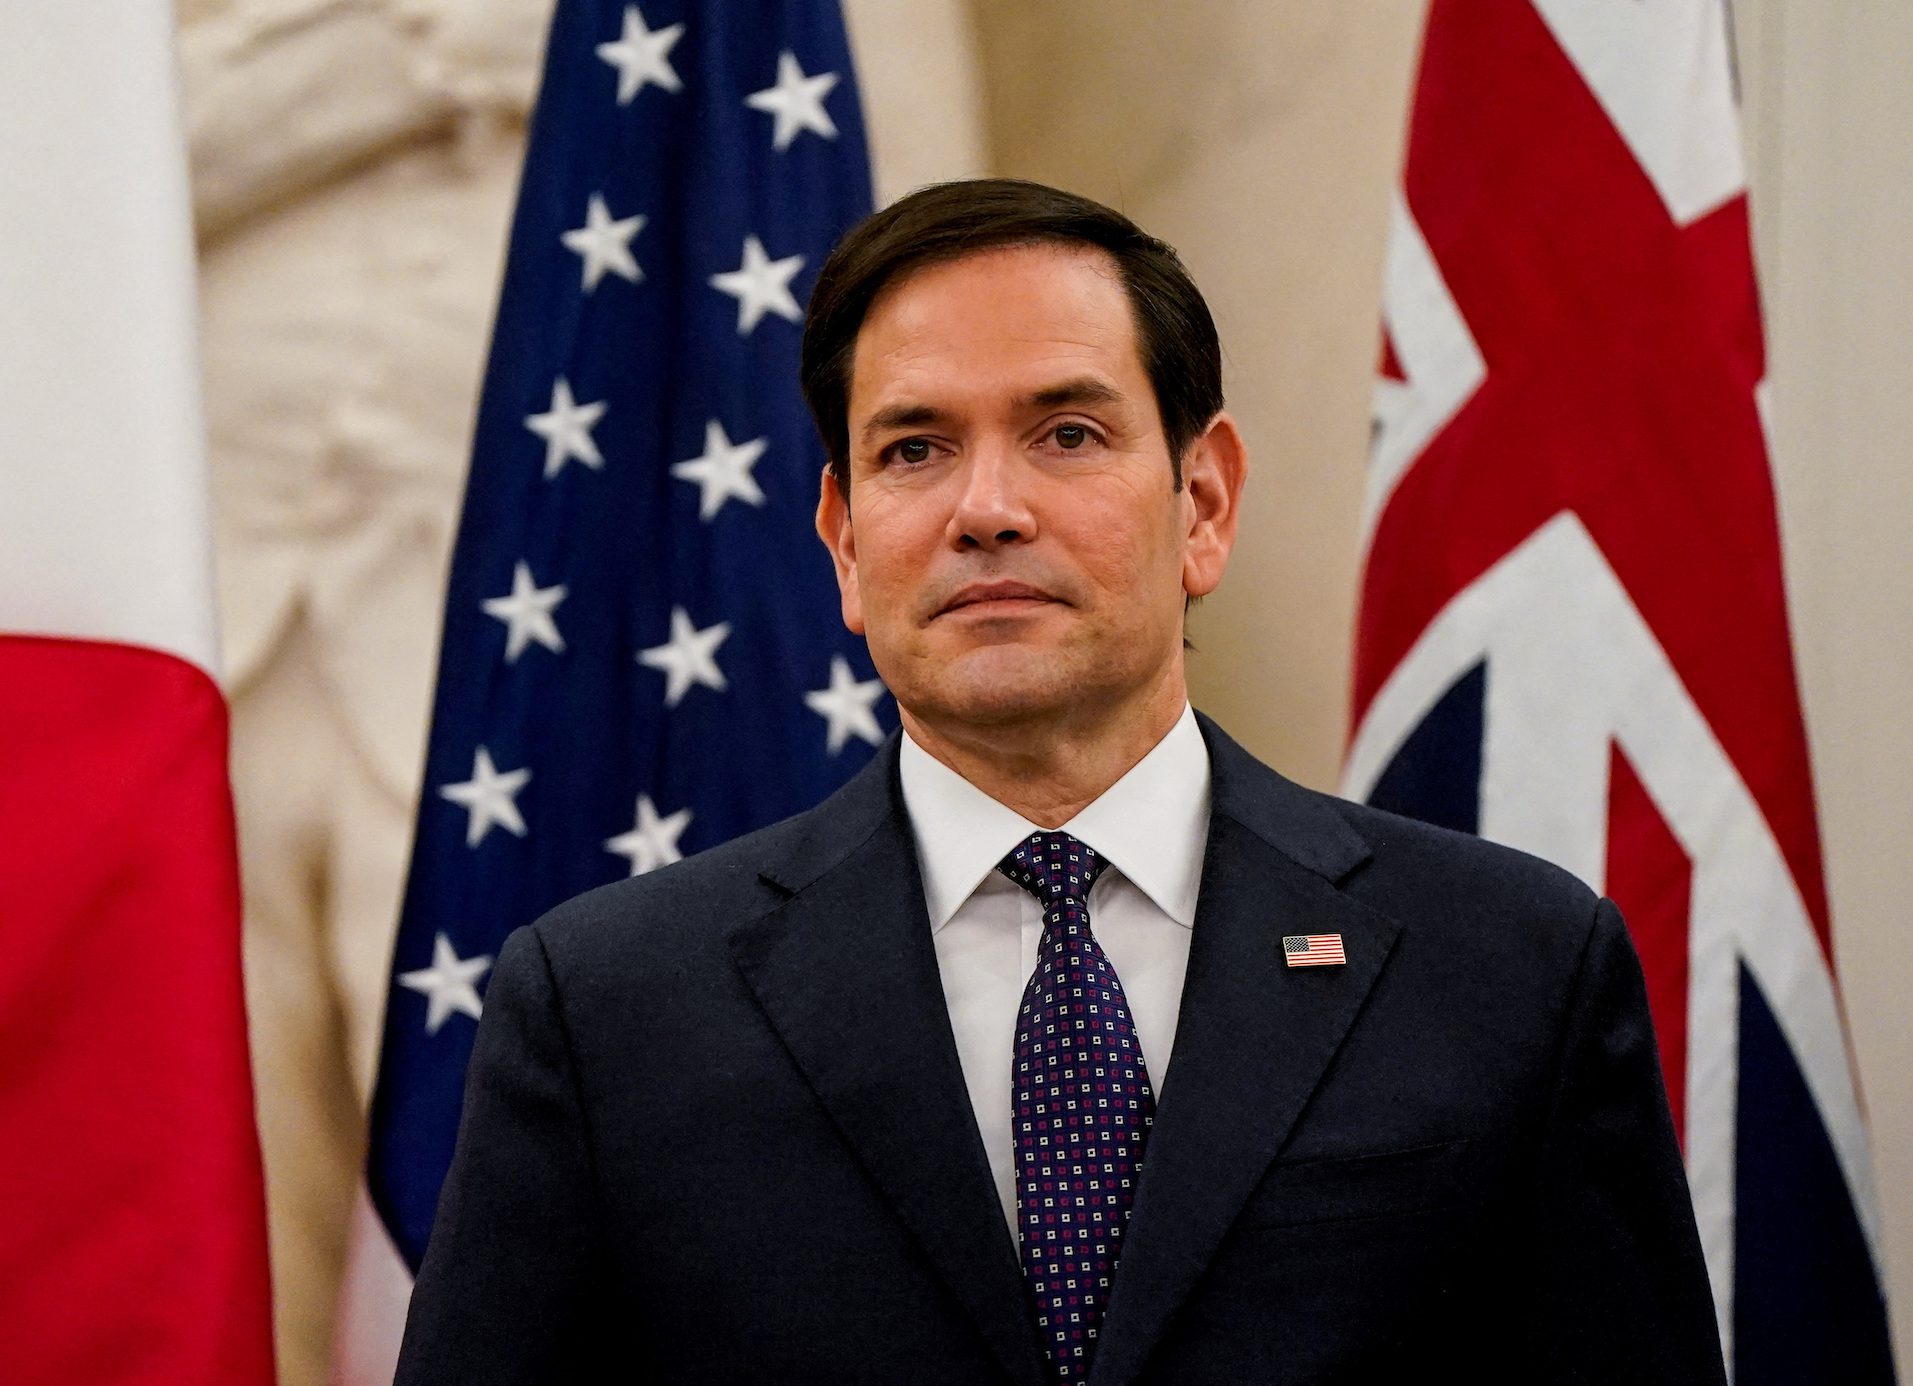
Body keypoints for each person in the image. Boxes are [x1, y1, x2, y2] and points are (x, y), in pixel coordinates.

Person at [394, 178, 1725, 1384]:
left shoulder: (1508, 970)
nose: (986, 507)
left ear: (1203, 502)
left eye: (1067, 433)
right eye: (914, 448)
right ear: (847, 544)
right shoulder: (609, 1012)